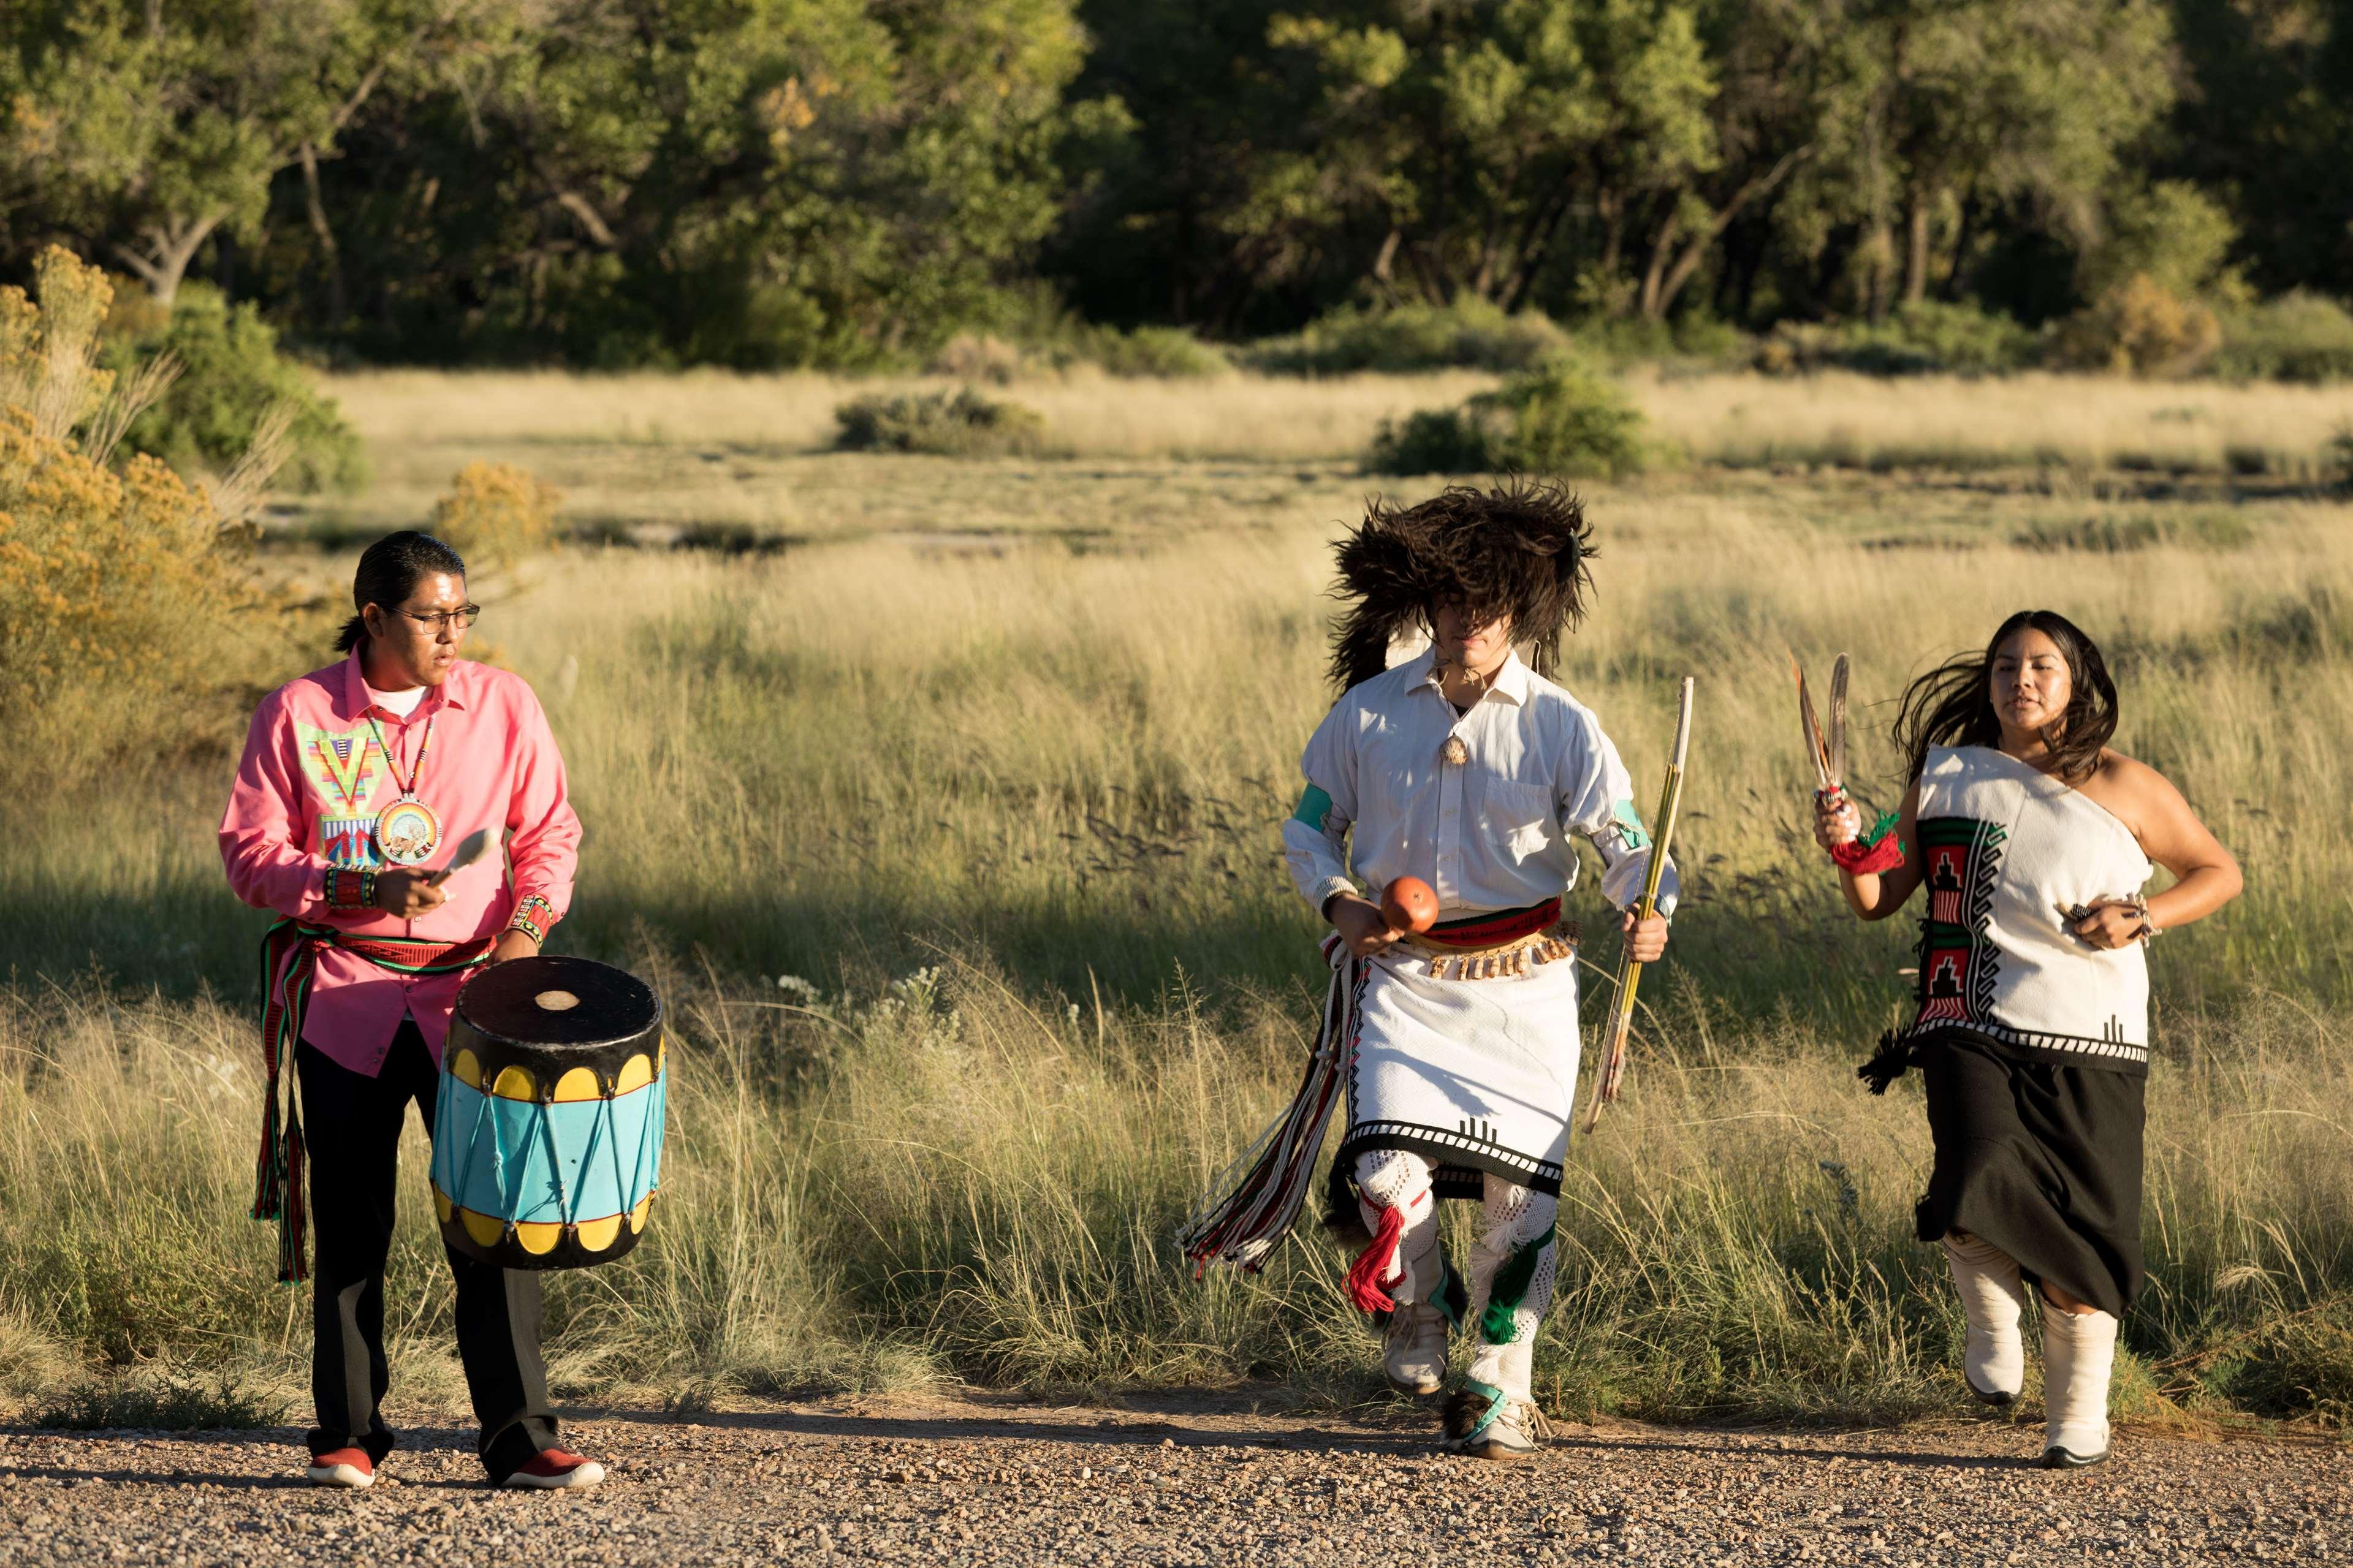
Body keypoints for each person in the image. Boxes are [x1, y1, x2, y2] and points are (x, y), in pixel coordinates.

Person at [1279, 480, 1675, 1459]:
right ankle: (1420, 1303)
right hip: (1405, 979)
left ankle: (1501, 1388)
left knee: (1519, 1205)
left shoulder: (1562, 723)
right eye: (1453, 602)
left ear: (1522, 614)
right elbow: (1306, 826)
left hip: (1529, 984)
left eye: (1491, 606)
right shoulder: (1367, 713)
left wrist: (1649, 903)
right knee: (1382, 1171)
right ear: (1429, 604)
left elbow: (1632, 842)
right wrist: (1341, 902)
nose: (1469, 622)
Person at [219, 531, 604, 1491]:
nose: (453, 632)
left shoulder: (503, 704)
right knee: (352, 1225)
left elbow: (550, 832)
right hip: (343, 998)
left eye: (463, 613)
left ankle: (519, 1437)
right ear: (375, 617)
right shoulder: (300, 712)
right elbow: (250, 858)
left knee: (495, 1219)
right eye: (434, 616)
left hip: (477, 1006)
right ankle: (349, 1435)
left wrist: (525, 934)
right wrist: (359, 887)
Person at [1815, 610, 2241, 1468]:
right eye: (2007, 665)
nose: (2023, 680)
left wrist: (2144, 913)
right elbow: (1880, 897)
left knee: (2088, 1228)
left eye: (2043, 665)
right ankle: (1990, 1320)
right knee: (1975, 1169)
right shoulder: (1943, 777)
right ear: (1989, 680)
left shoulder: (2126, 784)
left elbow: (2219, 871)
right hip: (1966, 1014)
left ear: (2077, 680)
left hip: (2095, 1032)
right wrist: (1849, 847)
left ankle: (2077, 1418)